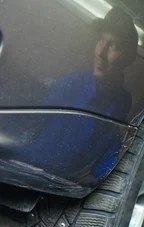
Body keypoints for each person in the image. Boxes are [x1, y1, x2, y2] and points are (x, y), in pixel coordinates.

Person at [23, 7, 138, 180]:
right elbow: (30, 122)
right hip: (31, 167)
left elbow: (110, 150)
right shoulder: (72, 82)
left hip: (66, 182)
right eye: (100, 40)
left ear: (127, 57)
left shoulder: (122, 103)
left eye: (113, 45)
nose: (101, 53)